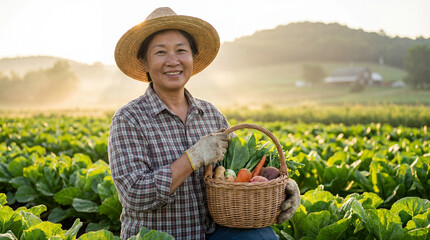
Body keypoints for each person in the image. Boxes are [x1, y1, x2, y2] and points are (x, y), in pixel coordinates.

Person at [108, 7, 300, 240]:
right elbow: (134, 195)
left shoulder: (211, 115)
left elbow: (240, 175)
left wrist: (282, 188)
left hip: (210, 234)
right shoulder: (129, 118)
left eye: (181, 51)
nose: (173, 61)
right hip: (156, 236)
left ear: (192, 58)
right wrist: (192, 158)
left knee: (263, 237)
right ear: (145, 62)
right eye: (160, 52)